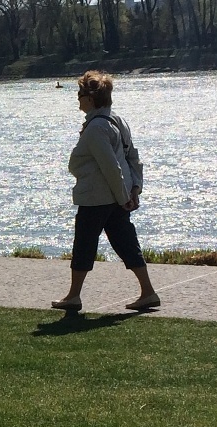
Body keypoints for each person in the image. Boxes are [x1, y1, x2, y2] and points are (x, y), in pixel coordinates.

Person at [52, 70, 160, 313]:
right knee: (126, 242)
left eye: (80, 94)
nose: (77, 98)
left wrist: (125, 198)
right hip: (116, 197)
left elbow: (110, 166)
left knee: (84, 244)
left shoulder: (96, 129)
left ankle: (73, 296)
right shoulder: (118, 121)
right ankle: (148, 291)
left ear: (90, 99)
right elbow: (133, 159)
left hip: (97, 198)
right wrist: (134, 190)